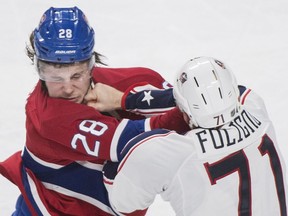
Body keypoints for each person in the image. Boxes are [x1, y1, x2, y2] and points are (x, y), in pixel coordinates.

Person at [0, 6, 189, 216]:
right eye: (55, 77)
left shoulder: (129, 81)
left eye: (77, 75)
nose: (68, 88)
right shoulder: (47, 118)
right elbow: (146, 141)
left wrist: (125, 99)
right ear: (40, 70)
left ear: (90, 64)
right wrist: (127, 101)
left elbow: (190, 100)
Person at [103, 57, 288, 216]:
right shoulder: (255, 107)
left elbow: (122, 203)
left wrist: (125, 101)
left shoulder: (169, 152)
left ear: (184, 112)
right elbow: (238, 92)